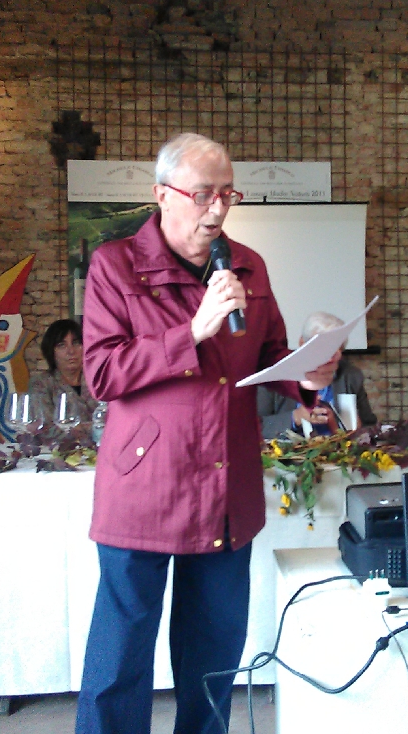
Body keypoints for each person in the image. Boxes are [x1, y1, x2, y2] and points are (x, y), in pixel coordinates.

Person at [77, 133, 332, 734]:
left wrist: (312, 372)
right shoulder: (115, 265)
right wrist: (191, 332)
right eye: (202, 195)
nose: (217, 209)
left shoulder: (247, 264)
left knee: (214, 651)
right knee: (122, 652)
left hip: (225, 484)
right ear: (162, 195)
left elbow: (270, 355)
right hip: (145, 485)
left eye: (227, 194)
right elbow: (102, 373)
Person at [257, 311, 377, 439]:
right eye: (321, 350)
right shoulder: (274, 375)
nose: (328, 359)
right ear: (302, 344)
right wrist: (296, 417)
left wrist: (356, 430)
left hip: (339, 454)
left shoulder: (350, 376)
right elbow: (255, 427)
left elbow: (369, 425)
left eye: (335, 350)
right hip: (286, 456)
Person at [28, 318, 98, 436]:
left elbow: (116, 422)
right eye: (62, 345)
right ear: (52, 352)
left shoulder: (99, 380)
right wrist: (95, 428)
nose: (71, 351)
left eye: (76, 343)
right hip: (59, 452)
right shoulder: (41, 383)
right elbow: (45, 428)